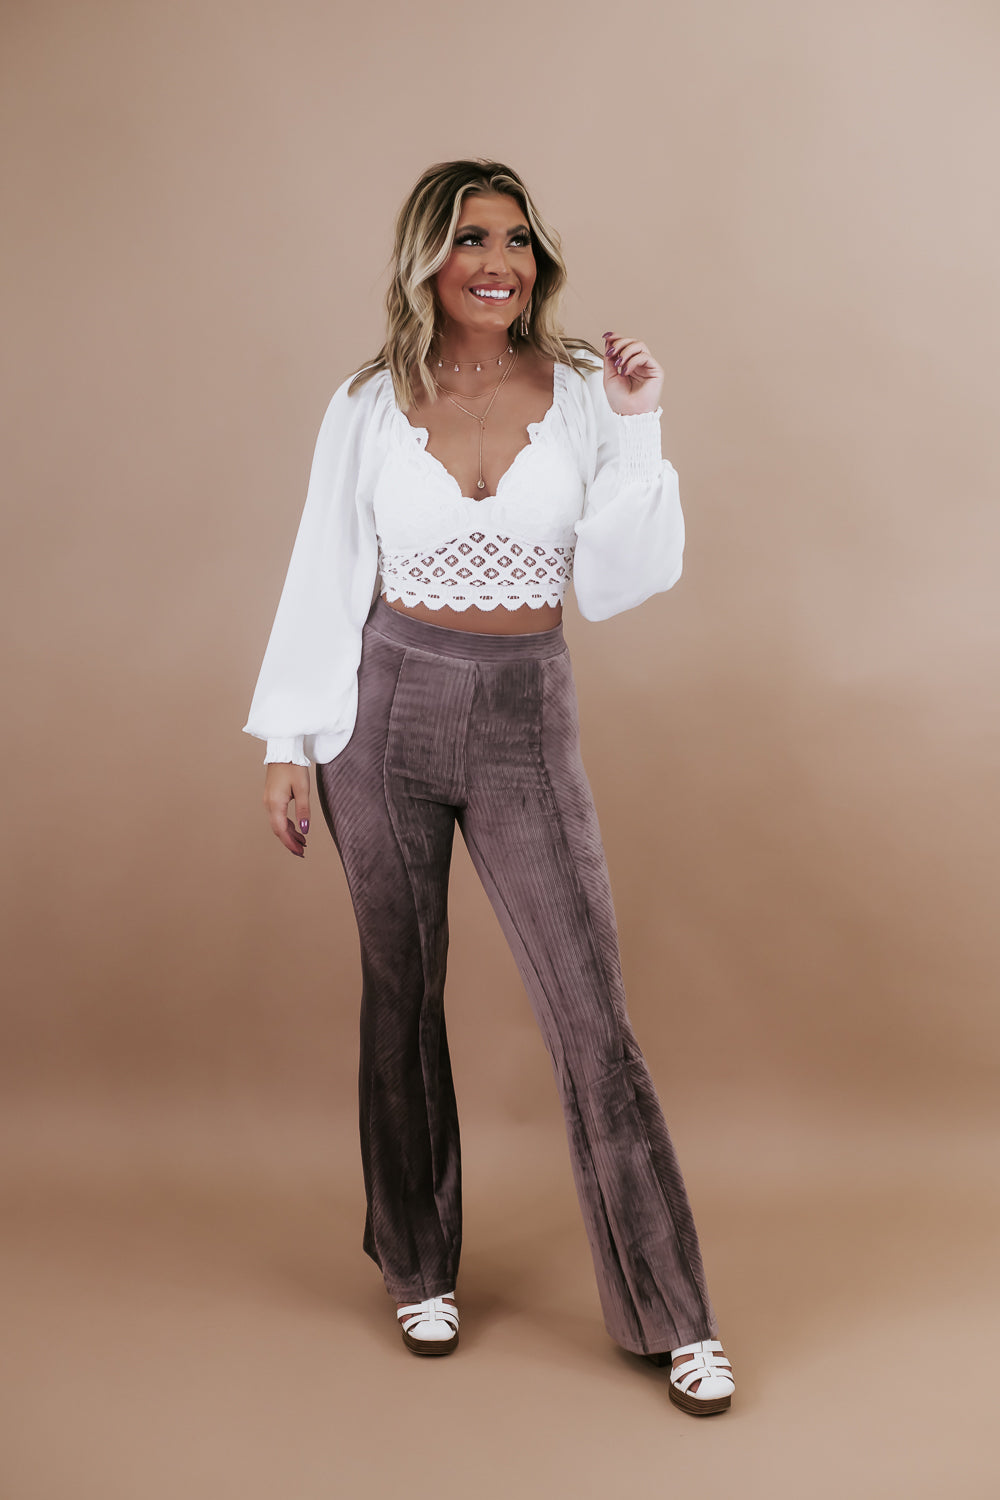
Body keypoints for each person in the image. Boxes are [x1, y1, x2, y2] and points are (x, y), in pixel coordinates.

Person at [242, 160, 735, 1416]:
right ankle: (418, 1265)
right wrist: (289, 739)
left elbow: (621, 579)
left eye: (516, 240)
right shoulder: (367, 401)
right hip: (384, 713)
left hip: (524, 714)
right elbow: (324, 564)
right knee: (400, 997)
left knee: (592, 1018)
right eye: (471, 238)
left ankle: (674, 1314)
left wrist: (640, 421)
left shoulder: (577, 394)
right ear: (429, 257)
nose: (497, 262)